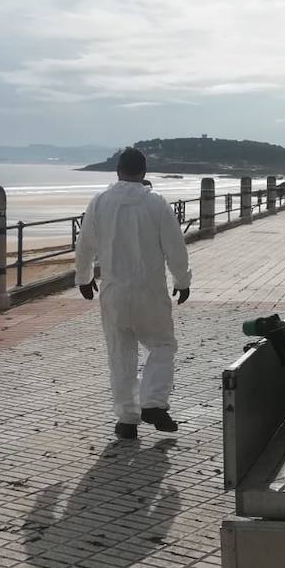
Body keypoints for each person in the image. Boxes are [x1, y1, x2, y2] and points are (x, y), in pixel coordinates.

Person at [74, 148, 192, 440]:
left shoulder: (100, 202)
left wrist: (84, 278)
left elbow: (84, 245)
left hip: (114, 292)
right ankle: (153, 403)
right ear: (144, 171)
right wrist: (182, 280)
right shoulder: (156, 204)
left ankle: (127, 420)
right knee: (162, 346)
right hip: (150, 291)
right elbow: (175, 247)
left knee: (120, 355)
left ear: (117, 170)